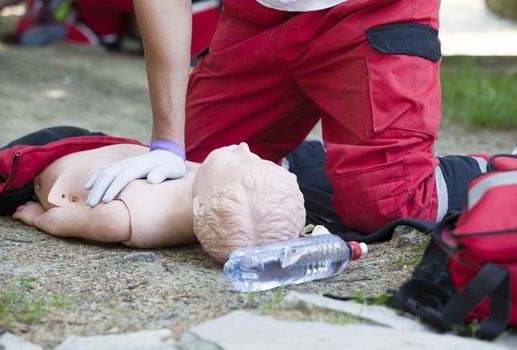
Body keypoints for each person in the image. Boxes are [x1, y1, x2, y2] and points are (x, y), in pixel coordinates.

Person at [85, 0, 488, 235]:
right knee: (202, 180)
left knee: (392, 207)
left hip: (372, 12)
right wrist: (168, 144)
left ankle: (500, 170)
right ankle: (307, 164)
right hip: (258, 17)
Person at [13, 142, 306, 263]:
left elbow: (73, 220)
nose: (244, 147)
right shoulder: (215, 196)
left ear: (202, 203)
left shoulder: (130, 218)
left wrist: (37, 217)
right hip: (114, 149)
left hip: (49, 161)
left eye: (238, 161)